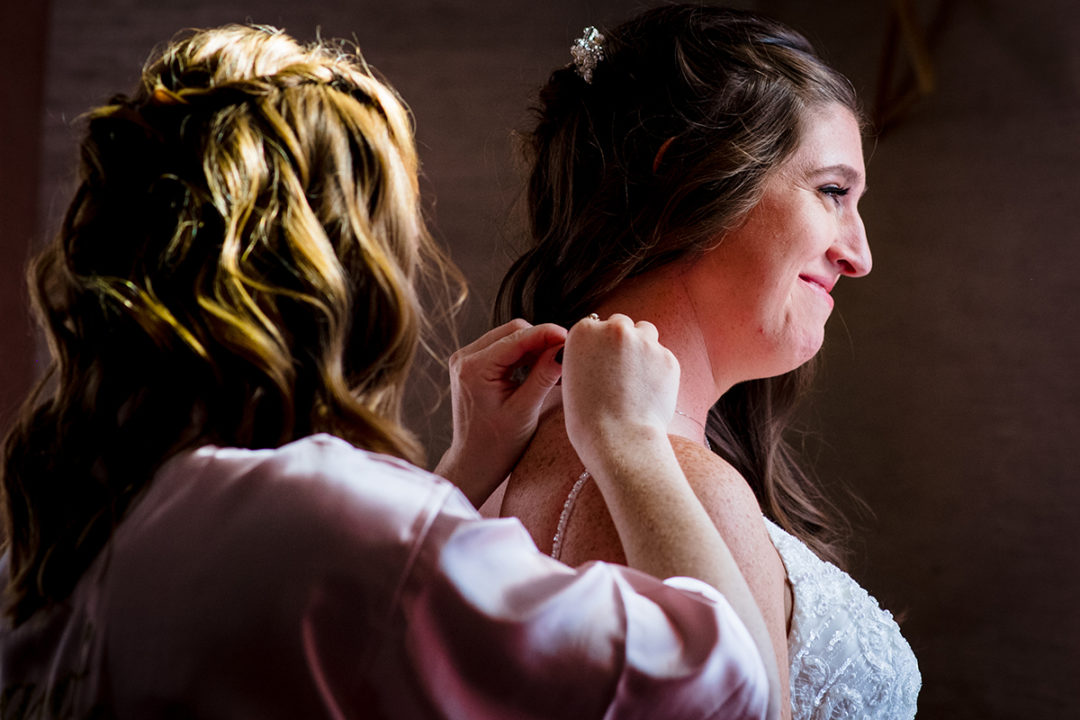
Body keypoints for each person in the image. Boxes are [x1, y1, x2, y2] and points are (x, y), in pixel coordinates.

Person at [0, 24, 782, 719]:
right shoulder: (317, 517)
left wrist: (463, 471)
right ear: (338, 267)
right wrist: (629, 440)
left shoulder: (62, 542)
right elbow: (727, 689)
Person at [487, 6, 921, 719]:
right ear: (688, 180)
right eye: (833, 192)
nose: (859, 256)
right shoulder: (673, 490)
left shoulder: (508, 469)